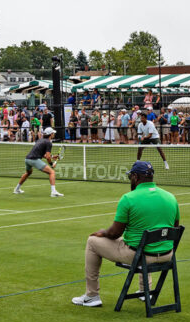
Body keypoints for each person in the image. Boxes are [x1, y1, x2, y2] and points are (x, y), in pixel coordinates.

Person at [71, 161, 179, 307]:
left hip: (140, 255)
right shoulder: (171, 197)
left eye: (130, 177)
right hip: (167, 254)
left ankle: (92, 296)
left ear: (135, 177)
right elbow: (175, 228)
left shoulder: (128, 198)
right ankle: (145, 290)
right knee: (144, 240)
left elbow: (114, 233)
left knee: (92, 241)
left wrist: (103, 232)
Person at [13, 127, 63, 197]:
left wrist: (52, 157)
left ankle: (16, 189)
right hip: (34, 160)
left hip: (27, 159)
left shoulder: (40, 140)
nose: (53, 134)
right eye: (53, 133)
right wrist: (51, 164)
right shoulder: (48, 143)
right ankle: (53, 192)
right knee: (51, 172)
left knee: (28, 173)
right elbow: (47, 157)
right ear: (50, 134)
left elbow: (41, 154)